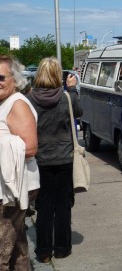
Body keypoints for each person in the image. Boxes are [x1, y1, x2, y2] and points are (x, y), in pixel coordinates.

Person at [26, 57, 83, 263]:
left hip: (39, 159)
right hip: (64, 158)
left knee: (44, 206)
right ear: (58, 75)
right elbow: (79, 113)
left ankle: (43, 251)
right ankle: (62, 248)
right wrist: (73, 89)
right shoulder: (67, 98)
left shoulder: (29, 99)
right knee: (63, 204)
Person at [0, 55, 39, 271]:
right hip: (9, 186)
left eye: (1, 77)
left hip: (12, 190)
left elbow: (30, 147)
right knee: (17, 248)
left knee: (2, 251)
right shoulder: (5, 102)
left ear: (14, 79)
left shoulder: (17, 104)